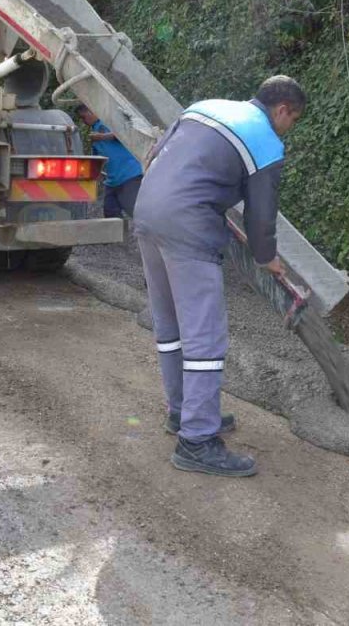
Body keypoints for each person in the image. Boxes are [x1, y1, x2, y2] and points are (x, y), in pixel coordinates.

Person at [133, 75, 306, 477]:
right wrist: (267, 258)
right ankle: (196, 441)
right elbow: (261, 215)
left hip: (147, 212)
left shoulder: (204, 106)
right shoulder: (265, 140)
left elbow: (153, 155)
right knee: (206, 338)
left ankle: (183, 413)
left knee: (171, 326)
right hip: (188, 228)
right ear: (283, 110)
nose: (288, 129)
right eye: (291, 120)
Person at [76, 104, 143, 219]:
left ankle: (150, 234)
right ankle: (122, 237)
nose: (84, 121)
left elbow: (125, 134)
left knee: (135, 211)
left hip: (129, 175)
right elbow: (97, 159)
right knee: (110, 213)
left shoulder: (108, 121)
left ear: (92, 112)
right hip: (112, 181)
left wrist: (103, 136)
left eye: (84, 117)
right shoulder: (94, 134)